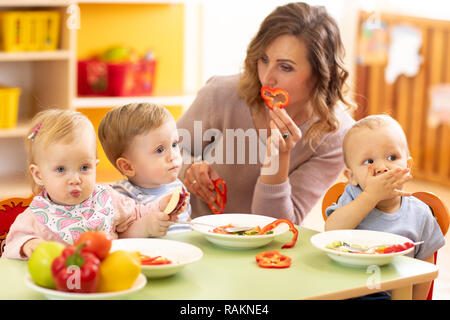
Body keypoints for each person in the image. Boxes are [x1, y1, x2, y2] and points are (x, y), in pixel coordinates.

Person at [177, 2, 355, 224]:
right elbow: (167, 149)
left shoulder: (334, 136)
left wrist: (277, 159)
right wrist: (188, 169)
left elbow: (278, 225)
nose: (268, 77)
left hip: (265, 249)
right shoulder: (221, 94)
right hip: (194, 233)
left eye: (286, 67)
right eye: (264, 59)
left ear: (320, 73)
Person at [3, 109, 185, 260]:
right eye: (60, 170)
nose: (75, 179)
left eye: (84, 167)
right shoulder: (35, 216)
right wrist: (28, 244)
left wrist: (158, 210)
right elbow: (11, 245)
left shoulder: (108, 198)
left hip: (110, 281)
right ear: (39, 175)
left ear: (95, 165)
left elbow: (137, 214)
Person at [325, 114, 446, 300]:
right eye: (369, 162)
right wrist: (370, 197)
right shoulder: (352, 197)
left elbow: (425, 269)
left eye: (392, 157)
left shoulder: (420, 213)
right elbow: (331, 231)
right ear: (352, 177)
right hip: (346, 289)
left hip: (394, 294)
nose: (382, 167)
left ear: (408, 165)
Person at [98, 103, 191, 232]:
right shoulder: (121, 197)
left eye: (174, 144)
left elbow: (186, 223)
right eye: (159, 150)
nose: (173, 156)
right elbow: (118, 238)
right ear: (127, 167)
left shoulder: (177, 186)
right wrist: (145, 227)